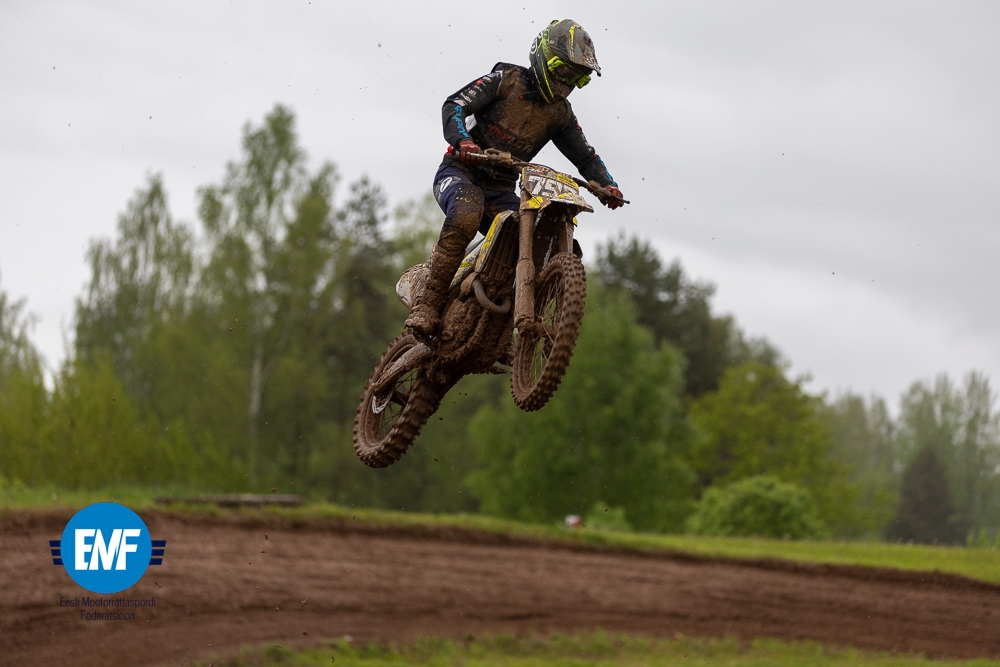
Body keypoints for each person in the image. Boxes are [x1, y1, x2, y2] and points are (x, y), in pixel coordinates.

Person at [405, 19, 625, 339]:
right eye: (563, 71)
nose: (566, 82)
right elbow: (455, 105)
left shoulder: (560, 114)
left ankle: (505, 330)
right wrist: (463, 141)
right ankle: (427, 302)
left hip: (501, 189)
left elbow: (586, 157)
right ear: (543, 57)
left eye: (577, 78)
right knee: (466, 214)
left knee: (532, 237)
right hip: (460, 172)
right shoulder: (506, 80)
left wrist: (607, 184)